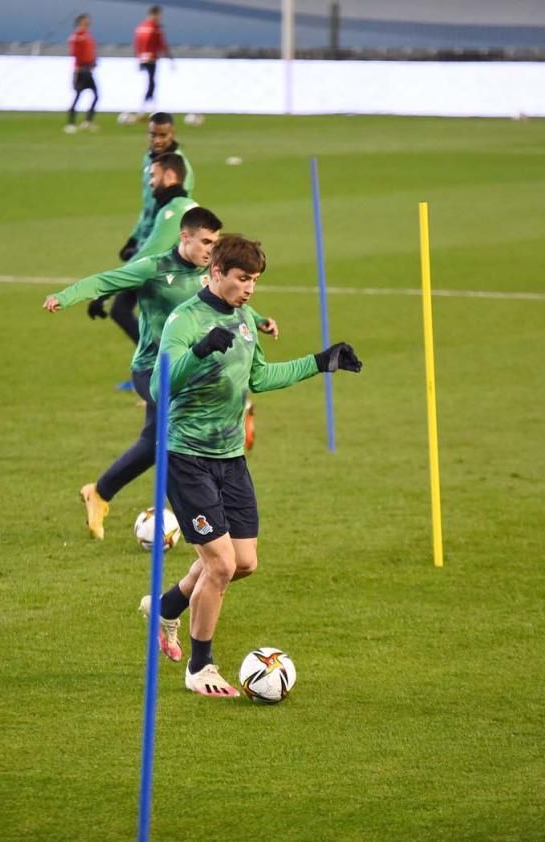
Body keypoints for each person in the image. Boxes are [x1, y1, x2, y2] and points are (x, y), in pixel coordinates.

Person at [141, 235, 362, 697]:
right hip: (187, 457)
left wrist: (320, 362)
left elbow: (259, 376)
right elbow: (161, 389)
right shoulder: (185, 320)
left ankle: (164, 608)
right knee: (219, 566)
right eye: (243, 279)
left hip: (231, 458)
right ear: (216, 271)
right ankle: (199, 668)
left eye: (255, 281)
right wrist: (198, 352)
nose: (250, 290)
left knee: (244, 563)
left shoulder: (243, 320)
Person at [45, 207, 224, 537]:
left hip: (187, 370)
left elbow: (226, 299)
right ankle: (198, 521)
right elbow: (105, 280)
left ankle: (99, 492)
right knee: (171, 438)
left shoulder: (209, 271)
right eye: (206, 242)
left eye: (215, 243)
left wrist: (258, 322)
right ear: (185, 237)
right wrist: (66, 296)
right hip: (152, 370)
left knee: (156, 439)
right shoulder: (154, 268)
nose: (211, 250)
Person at [90, 113, 195, 347]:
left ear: (173, 134)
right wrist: (134, 237)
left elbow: (172, 214)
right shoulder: (150, 161)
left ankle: (160, 367)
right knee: (127, 311)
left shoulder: (179, 168)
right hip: (147, 244)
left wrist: (103, 292)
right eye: (152, 134)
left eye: (162, 135)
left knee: (133, 311)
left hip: (163, 250)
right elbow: (148, 207)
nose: (157, 140)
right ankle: (157, 365)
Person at [65, 14, 98, 134]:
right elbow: (75, 53)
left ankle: (88, 121)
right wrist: (83, 65)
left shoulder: (88, 36)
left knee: (96, 95)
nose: (87, 24)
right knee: (78, 96)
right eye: (84, 22)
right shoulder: (76, 37)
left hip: (88, 70)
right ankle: (70, 123)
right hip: (80, 70)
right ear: (79, 23)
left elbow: (91, 51)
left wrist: (93, 62)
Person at [133, 5, 171, 110]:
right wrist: (169, 57)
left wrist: (137, 58)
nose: (160, 17)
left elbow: (137, 44)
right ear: (155, 14)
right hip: (151, 59)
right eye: (159, 15)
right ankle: (146, 104)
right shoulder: (155, 28)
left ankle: (150, 103)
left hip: (142, 58)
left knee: (151, 81)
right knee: (152, 82)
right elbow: (162, 44)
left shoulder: (141, 27)